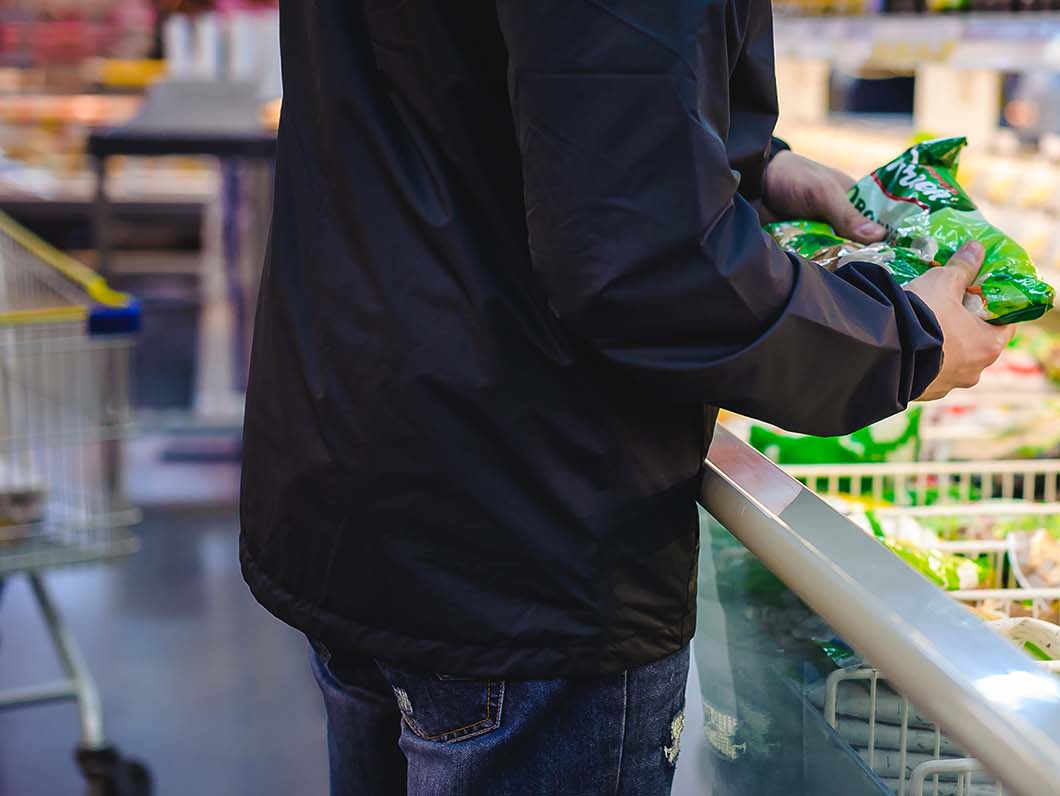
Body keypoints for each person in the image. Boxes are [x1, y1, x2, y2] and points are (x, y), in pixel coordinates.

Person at [239, 2, 1013, 795]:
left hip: (368, 448)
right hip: (525, 533)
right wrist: (903, 340)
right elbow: (647, 261)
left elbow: (473, 80)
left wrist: (748, 164)